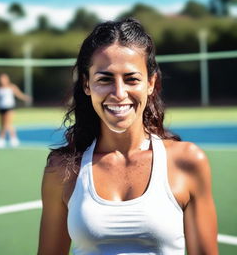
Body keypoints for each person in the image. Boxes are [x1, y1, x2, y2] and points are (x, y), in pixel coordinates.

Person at [38, 18, 218, 255]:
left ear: (151, 83)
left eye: (132, 79)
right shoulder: (62, 169)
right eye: (105, 79)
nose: (119, 93)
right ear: (86, 84)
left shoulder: (188, 161)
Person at [0, 73, 31, 148]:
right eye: (1, 79)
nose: (2, 80)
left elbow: (19, 94)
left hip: (9, 107)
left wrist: (26, 98)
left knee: (8, 124)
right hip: (0, 108)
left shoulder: (12, 87)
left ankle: (12, 138)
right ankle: (2, 139)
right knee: (1, 124)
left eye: (4, 78)